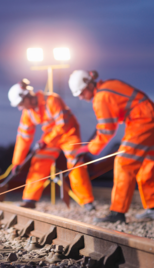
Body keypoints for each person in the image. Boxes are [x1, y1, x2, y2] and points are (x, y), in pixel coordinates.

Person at [68, 70, 154, 223]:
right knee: (146, 164)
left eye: (81, 93)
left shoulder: (101, 97)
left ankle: (117, 213)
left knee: (124, 163)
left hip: (141, 119)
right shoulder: (107, 86)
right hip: (151, 114)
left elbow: (106, 130)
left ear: (88, 85)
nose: (80, 97)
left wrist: (87, 149)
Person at [8, 79, 95, 210]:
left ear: (28, 96)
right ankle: (29, 200)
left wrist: (44, 141)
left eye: (21, 103)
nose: (21, 107)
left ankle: (87, 201)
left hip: (68, 133)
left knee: (75, 163)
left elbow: (62, 124)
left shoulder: (52, 100)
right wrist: (17, 162)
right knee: (38, 162)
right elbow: (23, 138)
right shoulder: (28, 112)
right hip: (50, 138)